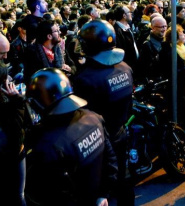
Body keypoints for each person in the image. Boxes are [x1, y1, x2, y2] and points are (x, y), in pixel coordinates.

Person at [25, 68, 118, 206]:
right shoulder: (93, 118)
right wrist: (102, 195)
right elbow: (110, 161)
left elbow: (56, 194)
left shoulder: (48, 146)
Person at [73, 20, 134, 206]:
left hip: (99, 143)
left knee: (100, 191)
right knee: (123, 179)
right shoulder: (125, 67)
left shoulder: (85, 78)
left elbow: (82, 118)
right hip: (121, 132)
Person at [0, 33, 27, 206]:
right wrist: (16, 101)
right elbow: (17, 125)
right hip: (10, 149)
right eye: (1, 55)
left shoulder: (4, 78)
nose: (5, 58)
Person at [159, 25, 185, 131]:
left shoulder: (184, 48)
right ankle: (182, 122)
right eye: (182, 34)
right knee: (179, 103)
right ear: (175, 37)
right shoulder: (168, 51)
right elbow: (169, 71)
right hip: (176, 84)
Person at [23, 19, 72, 85]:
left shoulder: (59, 48)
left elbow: (72, 65)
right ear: (49, 36)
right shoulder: (32, 52)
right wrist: (58, 74)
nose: (60, 32)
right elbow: (30, 78)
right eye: (57, 31)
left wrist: (70, 69)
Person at [135, 16, 167, 82]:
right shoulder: (147, 44)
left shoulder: (167, 40)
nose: (164, 29)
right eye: (161, 27)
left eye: (165, 26)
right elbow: (144, 68)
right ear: (153, 28)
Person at [114, 4, 139, 69]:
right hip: (126, 67)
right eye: (129, 12)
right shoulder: (117, 31)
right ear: (124, 15)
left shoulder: (127, 27)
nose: (131, 14)